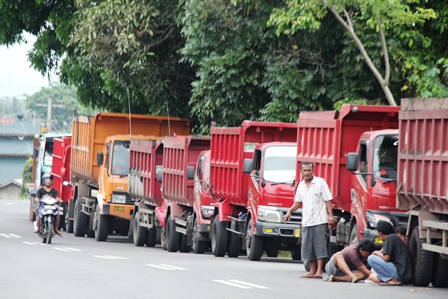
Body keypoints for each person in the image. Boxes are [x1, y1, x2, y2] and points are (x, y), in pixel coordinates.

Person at [284, 161, 334, 279]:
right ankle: (312, 271)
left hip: (320, 220)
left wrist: (330, 215)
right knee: (308, 245)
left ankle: (319, 271)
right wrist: (289, 211)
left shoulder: (320, 182)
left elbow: (328, 200)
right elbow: (297, 202)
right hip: (306, 221)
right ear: (301, 172)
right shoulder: (300, 185)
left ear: (313, 171)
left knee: (319, 245)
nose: (307, 173)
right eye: (304, 170)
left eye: (309, 170)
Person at [367, 221, 413, 286]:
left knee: (371, 259)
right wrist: (379, 252)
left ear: (380, 234)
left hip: (401, 272)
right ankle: (388, 278)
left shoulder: (390, 238)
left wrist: (375, 252)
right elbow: (383, 252)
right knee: (373, 274)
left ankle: (392, 279)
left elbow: (386, 258)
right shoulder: (393, 238)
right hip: (403, 273)